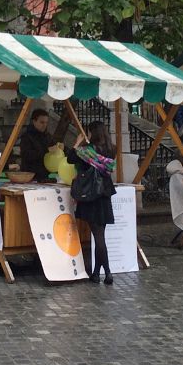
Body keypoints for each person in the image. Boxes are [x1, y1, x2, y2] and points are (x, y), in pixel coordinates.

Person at [66, 121, 116, 284]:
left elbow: (70, 158)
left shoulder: (86, 152)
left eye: (87, 133)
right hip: (104, 195)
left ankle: (108, 273)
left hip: (91, 195)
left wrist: (77, 142)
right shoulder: (111, 149)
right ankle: (96, 273)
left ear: (91, 134)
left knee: (98, 236)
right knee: (100, 234)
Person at [19, 109, 53, 182]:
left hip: (44, 176)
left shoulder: (47, 136)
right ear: (34, 121)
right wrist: (46, 151)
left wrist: (60, 148)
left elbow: (53, 146)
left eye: (46, 122)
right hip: (30, 176)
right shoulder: (26, 136)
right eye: (42, 122)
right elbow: (27, 155)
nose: (44, 125)